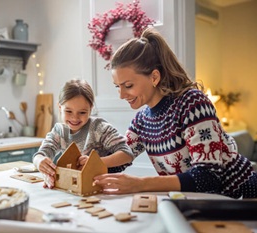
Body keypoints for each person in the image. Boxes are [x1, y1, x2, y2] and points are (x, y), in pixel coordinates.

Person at [93, 27, 257, 199]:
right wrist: (89, 164)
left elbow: (208, 178)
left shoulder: (192, 103)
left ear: (154, 77)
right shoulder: (141, 121)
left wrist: (140, 184)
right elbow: (122, 157)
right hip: (197, 203)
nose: (121, 95)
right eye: (117, 87)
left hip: (242, 199)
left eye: (128, 86)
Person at [33, 79, 134, 188]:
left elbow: (127, 154)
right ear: (60, 108)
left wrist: (95, 162)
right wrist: (39, 161)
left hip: (100, 187)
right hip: (72, 187)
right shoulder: (59, 131)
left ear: (90, 109)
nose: (75, 118)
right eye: (68, 111)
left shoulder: (99, 128)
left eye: (82, 112)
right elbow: (42, 153)